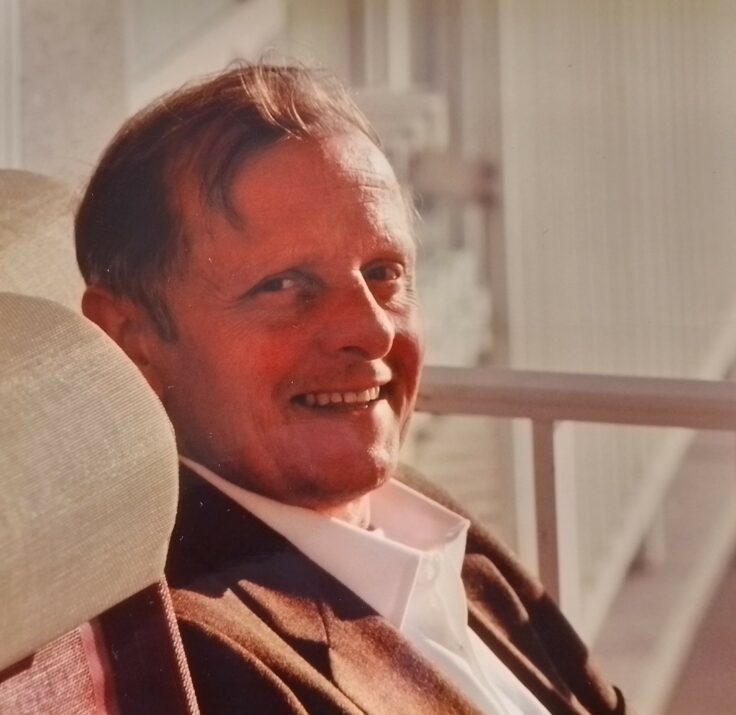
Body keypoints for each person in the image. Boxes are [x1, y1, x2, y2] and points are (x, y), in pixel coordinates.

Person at [75, 63, 632, 714]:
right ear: (133, 342)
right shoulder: (205, 650)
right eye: (284, 286)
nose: (372, 330)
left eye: (384, 271)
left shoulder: (415, 516)